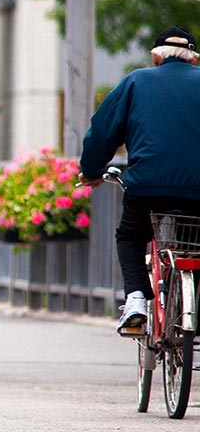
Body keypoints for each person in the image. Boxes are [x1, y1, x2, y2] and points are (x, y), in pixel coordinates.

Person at [79, 26, 200, 336]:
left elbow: (103, 132)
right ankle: (195, 324)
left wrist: (91, 171)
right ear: (194, 59)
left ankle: (135, 299)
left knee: (131, 236)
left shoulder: (136, 81)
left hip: (147, 186)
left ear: (156, 57)